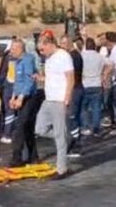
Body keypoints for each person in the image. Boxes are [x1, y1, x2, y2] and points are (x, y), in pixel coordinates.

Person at [34, 31, 74, 179]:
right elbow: (52, 78)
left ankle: (62, 169)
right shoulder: (49, 59)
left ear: (50, 44)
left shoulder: (63, 56)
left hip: (59, 100)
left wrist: (67, 98)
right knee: (39, 128)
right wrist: (40, 78)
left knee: (59, 135)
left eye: (42, 49)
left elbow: (70, 78)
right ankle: (67, 138)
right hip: (48, 99)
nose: (41, 52)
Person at [8, 39, 39, 167]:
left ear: (21, 48)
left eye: (13, 49)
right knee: (27, 127)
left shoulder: (28, 60)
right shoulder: (16, 62)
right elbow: (17, 82)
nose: (11, 51)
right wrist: (13, 97)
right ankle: (33, 156)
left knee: (20, 127)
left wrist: (20, 98)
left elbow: (29, 81)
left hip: (28, 97)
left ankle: (16, 158)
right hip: (20, 96)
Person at [59, 35, 84, 157]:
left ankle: (75, 146)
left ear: (68, 43)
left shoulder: (73, 56)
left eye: (63, 44)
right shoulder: (72, 55)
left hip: (75, 90)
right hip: (76, 89)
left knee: (71, 117)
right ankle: (74, 143)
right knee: (74, 118)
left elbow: (70, 76)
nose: (61, 47)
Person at [80, 37, 107, 136]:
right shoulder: (99, 56)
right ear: (95, 46)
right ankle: (96, 128)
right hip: (97, 84)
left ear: (85, 46)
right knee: (96, 108)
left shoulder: (81, 56)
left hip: (84, 84)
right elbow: (111, 64)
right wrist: (104, 75)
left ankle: (86, 127)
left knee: (83, 108)